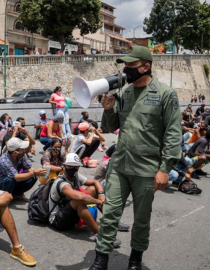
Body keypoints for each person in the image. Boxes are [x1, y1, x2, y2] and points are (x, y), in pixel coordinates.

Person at [89, 46, 181, 270]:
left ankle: (135, 260)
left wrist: (164, 169)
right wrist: (108, 109)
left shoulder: (165, 94)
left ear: (145, 66)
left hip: (147, 169)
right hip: (120, 165)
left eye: (130, 65)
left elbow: (173, 133)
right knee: (110, 214)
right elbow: (111, 127)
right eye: (125, 65)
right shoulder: (123, 93)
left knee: (141, 220)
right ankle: (101, 259)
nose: (125, 70)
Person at [48, 153, 124, 245]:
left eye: (75, 167)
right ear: (64, 166)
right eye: (70, 166)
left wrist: (101, 194)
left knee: (93, 189)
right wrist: (98, 201)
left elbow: (95, 182)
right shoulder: (61, 183)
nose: (73, 169)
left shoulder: (75, 176)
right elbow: (80, 198)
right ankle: (101, 236)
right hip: (58, 220)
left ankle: (113, 221)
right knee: (79, 202)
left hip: (69, 212)